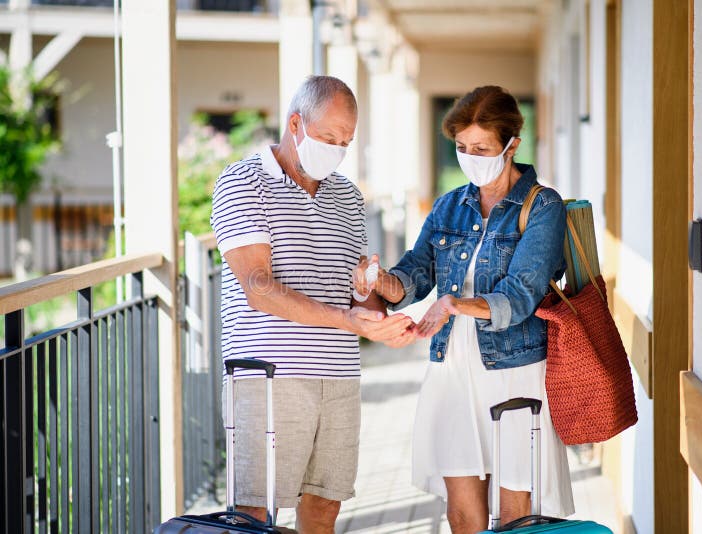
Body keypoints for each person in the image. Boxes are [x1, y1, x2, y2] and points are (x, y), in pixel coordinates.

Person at [354, 86, 575, 533]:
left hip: (514, 367)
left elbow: (520, 295)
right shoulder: (449, 205)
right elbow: (415, 274)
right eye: (461, 147)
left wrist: (454, 304)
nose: (470, 157)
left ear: (512, 144)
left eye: (482, 148)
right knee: (461, 511)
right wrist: (380, 281)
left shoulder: (543, 205)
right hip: (452, 368)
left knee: (517, 511)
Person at [210, 75, 413, 534]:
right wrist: (349, 318)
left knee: (325, 506)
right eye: (328, 138)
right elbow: (258, 287)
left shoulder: (346, 195)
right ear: (295, 123)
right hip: (268, 375)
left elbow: (360, 295)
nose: (337, 149)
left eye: (345, 142)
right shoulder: (243, 181)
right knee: (255, 513)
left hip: (339, 375)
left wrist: (368, 293)